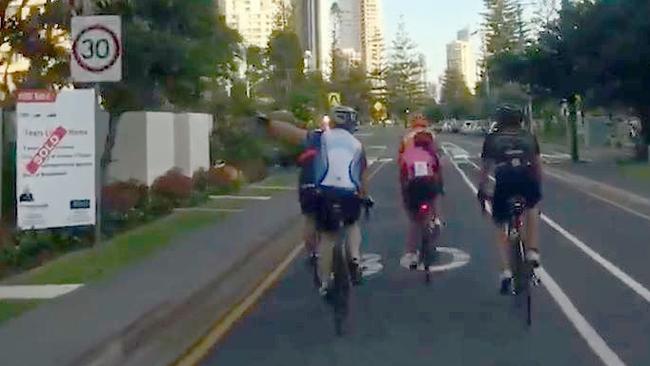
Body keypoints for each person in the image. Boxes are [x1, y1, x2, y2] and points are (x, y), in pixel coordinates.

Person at [258, 106, 370, 297]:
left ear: (332, 122)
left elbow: (292, 133)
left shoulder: (320, 138)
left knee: (327, 237)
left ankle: (325, 282)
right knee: (352, 225)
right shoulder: (358, 146)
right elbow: (363, 176)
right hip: (349, 194)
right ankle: (355, 258)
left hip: (325, 192)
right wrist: (364, 196)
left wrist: (268, 123)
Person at [477, 104, 543, 295]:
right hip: (525, 176)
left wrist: (482, 190)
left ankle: (506, 271)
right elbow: (537, 166)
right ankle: (531, 250)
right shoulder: (529, 138)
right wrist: (537, 186)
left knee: (499, 223)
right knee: (532, 206)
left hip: (504, 179)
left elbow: (485, 168)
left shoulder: (493, 139)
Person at [398, 114, 444, 269]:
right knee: (432, 197)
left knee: (414, 220)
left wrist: (404, 192)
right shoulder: (431, 140)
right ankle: (436, 220)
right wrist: (440, 187)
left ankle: (411, 253)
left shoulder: (406, 141)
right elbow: (438, 169)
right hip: (429, 183)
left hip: (413, 185)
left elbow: (402, 171)